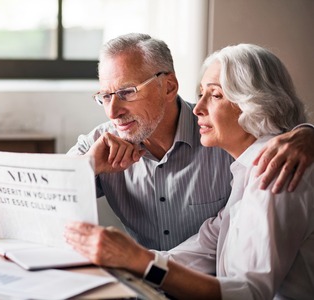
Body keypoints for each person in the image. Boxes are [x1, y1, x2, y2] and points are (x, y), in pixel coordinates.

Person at [65, 43, 314, 299]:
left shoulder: (277, 170)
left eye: (215, 95)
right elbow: (205, 246)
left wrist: (138, 260)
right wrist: (126, 260)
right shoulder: (243, 171)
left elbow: (248, 292)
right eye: (105, 96)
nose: (198, 108)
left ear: (256, 103)